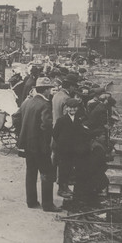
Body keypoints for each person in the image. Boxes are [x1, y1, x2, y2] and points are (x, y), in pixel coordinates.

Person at [16, 77, 61, 212]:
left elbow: (16, 118)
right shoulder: (45, 104)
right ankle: (47, 204)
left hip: (28, 145)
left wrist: (22, 134)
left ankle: (31, 201)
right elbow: (46, 126)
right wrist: (47, 143)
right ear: (46, 90)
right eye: (50, 89)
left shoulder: (27, 102)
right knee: (47, 174)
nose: (51, 91)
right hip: (41, 147)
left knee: (31, 173)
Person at [52, 98, 90, 199]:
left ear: (77, 109)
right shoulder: (61, 120)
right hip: (63, 150)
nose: (72, 110)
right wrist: (61, 143)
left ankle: (66, 186)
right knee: (63, 169)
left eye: (74, 108)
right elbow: (55, 134)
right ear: (67, 108)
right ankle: (61, 188)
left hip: (72, 150)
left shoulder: (77, 120)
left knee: (68, 168)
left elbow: (79, 132)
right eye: (70, 108)